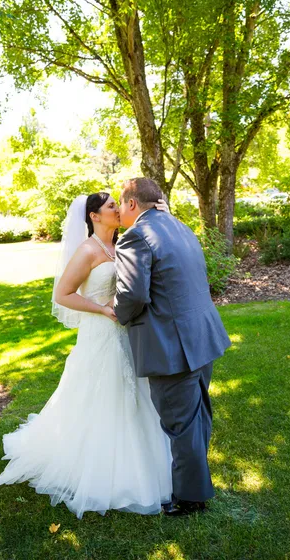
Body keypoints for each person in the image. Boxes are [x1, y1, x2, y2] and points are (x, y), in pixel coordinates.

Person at [0, 192, 173, 518]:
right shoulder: (88, 250)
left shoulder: (122, 245)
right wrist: (102, 309)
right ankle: (102, 467)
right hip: (101, 334)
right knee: (104, 394)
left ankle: (147, 460)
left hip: (126, 334)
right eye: (110, 207)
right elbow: (63, 294)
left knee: (136, 394)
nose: (118, 209)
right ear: (94, 216)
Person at [113, 178, 231, 516]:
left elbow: (133, 295)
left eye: (121, 205)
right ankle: (196, 481)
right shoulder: (179, 226)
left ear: (133, 204)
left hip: (171, 343)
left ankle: (191, 497)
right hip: (201, 336)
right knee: (197, 416)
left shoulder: (136, 235)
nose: (120, 212)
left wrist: (118, 313)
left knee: (180, 422)